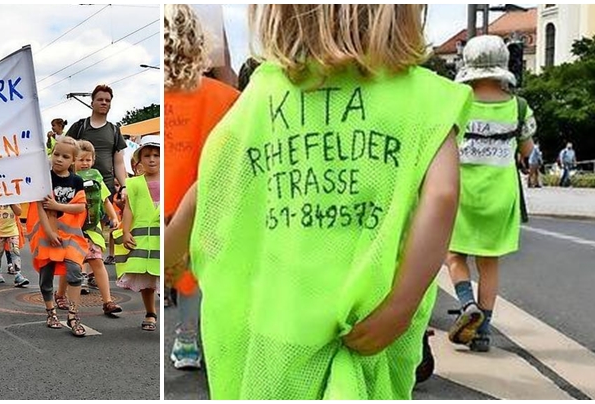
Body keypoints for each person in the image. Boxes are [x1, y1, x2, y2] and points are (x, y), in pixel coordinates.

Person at [160, 4, 467, 399]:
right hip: (370, 318)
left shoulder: (267, 92)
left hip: (280, 315)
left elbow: (215, 181)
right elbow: (442, 196)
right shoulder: (424, 95)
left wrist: (171, 251)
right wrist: (400, 307)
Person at [158, 4, 242, 370]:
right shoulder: (225, 97)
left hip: (168, 206)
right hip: (217, 204)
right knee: (215, 274)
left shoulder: (160, 99)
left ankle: (187, 338)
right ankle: (216, 337)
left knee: (184, 276)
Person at [445, 35, 536, 354]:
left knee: (454, 255)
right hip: (500, 194)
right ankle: (482, 333)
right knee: (489, 264)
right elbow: (528, 151)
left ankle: (467, 303)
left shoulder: (455, 101)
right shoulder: (519, 107)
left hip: (461, 191)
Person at [28, 137, 92, 337]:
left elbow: (80, 207)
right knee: (45, 276)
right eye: (56, 154)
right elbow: (39, 207)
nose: (59, 159)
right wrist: (48, 231)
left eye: (65, 156)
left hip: (71, 237)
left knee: (75, 272)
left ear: (73, 160)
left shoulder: (76, 180)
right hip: (48, 235)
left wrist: (58, 206)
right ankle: (51, 312)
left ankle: (73, 315)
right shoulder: (44, 179)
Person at [118, 136, 162, 334]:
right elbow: (129, 209)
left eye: (156, 155)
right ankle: (150, 313)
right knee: (147, 279)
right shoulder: (134, 183)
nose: (152, 159)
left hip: (164, 239)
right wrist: (126, 232)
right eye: (147, 155)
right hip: (143, 240)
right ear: (140, 160)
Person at [72, 140, 122, 316]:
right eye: (81, 160)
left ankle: (107, 301)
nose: (85, 163)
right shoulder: (69, 178)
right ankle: (61, 295)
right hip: (72, 229)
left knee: (97, 261)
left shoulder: (96, 176)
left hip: (92, 228)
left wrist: (114, 217)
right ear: (73, 160)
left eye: (88, 160)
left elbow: (105, 199)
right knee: (72, 267)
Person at [63, 85, 127, 194]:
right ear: (92, 103)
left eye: (107, 100)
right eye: (100, 99)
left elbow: (119, 163)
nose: (104, 102)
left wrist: (124, 187)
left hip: (106, 187)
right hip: (79, 186)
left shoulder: (115, 131)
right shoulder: (79, 126)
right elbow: (64, 151)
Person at [0, 203, 30, 287]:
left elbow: (19, 212)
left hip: (12, 230)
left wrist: (12, 202)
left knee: (15, 251)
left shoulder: (13, 198)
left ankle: (18, 275)